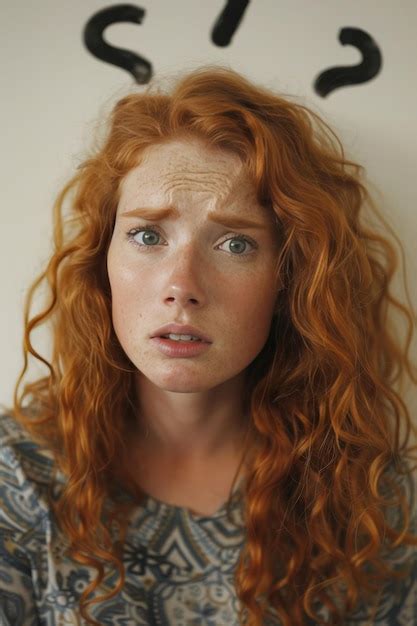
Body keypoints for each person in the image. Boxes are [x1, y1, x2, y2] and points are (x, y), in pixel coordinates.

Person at [0, 64, 416, 626]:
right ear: (102, 263)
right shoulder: (17, 478)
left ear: (290, 277)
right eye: (148, 236)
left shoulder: (374, 503)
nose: (182, 287)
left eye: (235, 243)